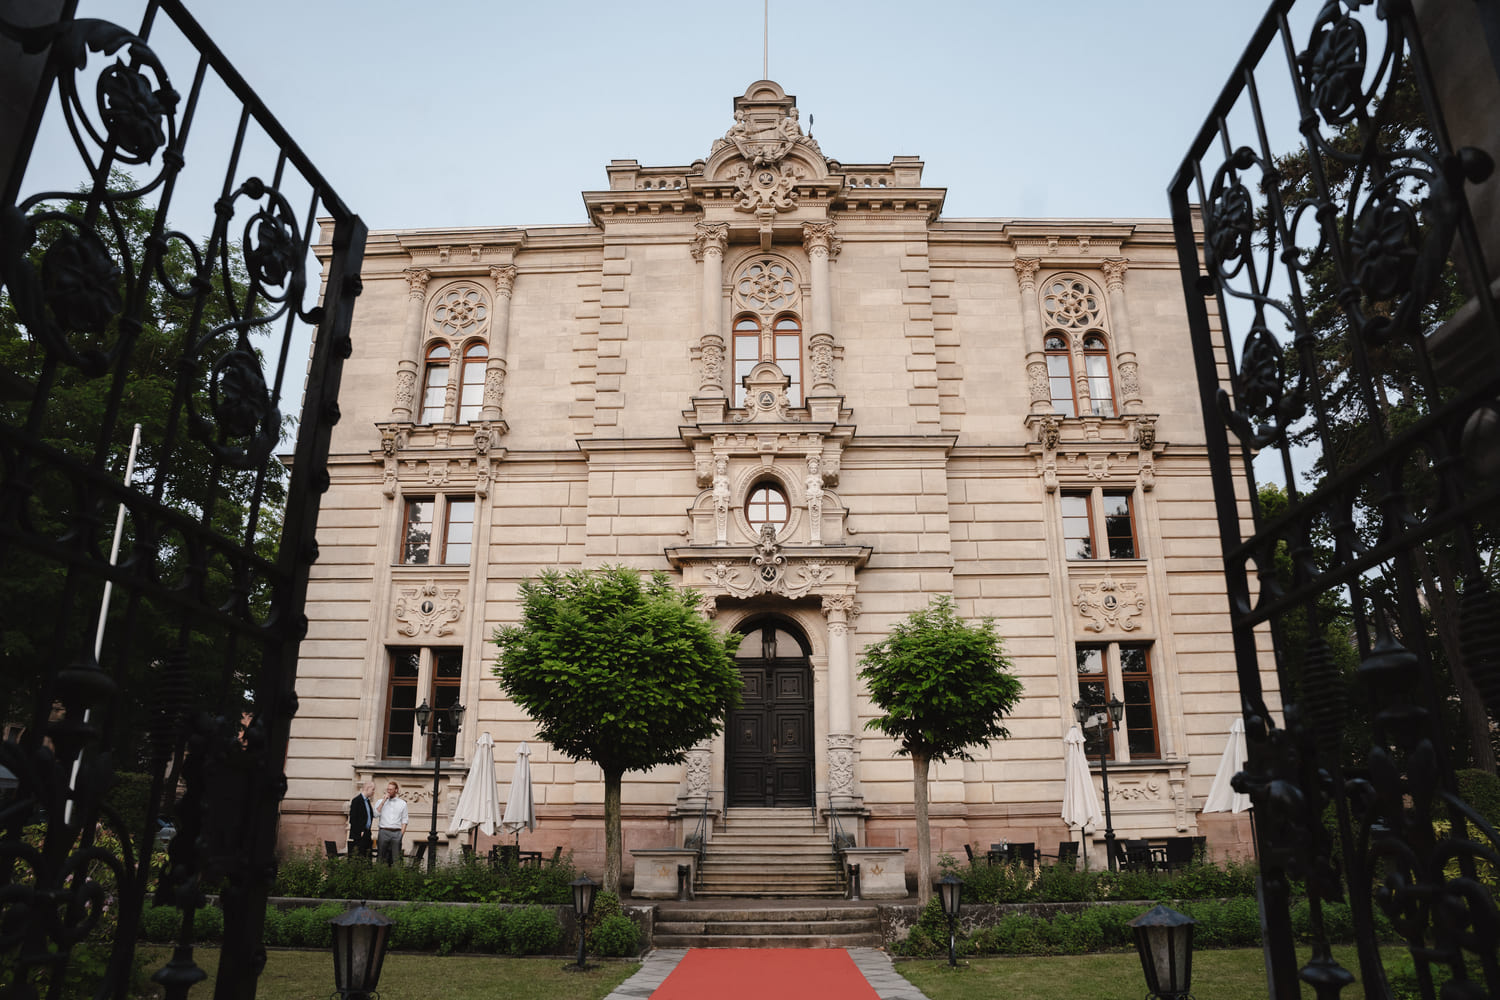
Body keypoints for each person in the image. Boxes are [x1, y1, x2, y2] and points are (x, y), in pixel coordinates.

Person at [375, 780, 408, 865]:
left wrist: (401, 834)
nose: (389, 791)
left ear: (396, 790)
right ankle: (379, 874)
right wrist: (383, 801)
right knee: (381, 857)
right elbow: (375, 814)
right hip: (384, 831)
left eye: (391, 789)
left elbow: (405, 820)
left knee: (396, 859)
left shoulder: (402, 803)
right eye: (388, 789)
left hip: (396, 832)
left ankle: (396, 876)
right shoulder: (380, 802)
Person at [347, 780, 375, 858]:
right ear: (367, 788)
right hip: (359, 835)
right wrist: (360, 830)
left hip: (367, 833)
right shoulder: (356, 800)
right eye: (373, 789)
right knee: (359, 857)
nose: (373, 792)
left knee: (367, 857)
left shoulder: (367, 801)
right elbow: (353, 819)